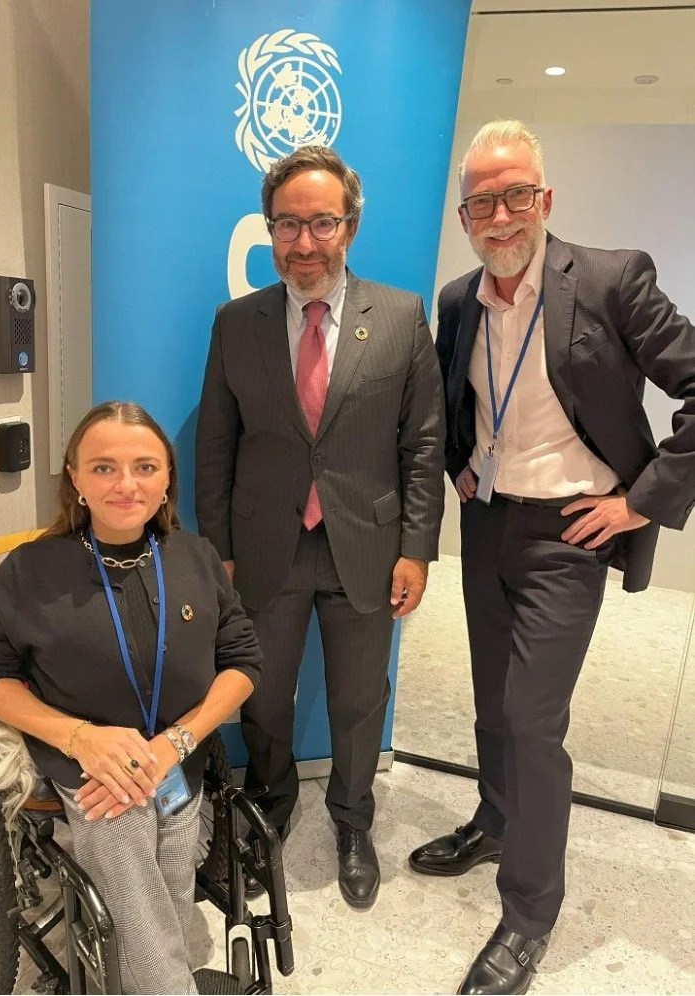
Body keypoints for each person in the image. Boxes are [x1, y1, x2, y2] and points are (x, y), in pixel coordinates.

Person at [408, 120, 695, 995]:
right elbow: (456, 396)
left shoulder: (612, 279)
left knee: (534, 719)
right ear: (465, 215)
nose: (501, 216)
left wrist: (636, 501)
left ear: (545, 198)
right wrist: (461, 462)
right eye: (483, 202)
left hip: (572, 533)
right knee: (494, 703)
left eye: (516, 195)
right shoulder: (460, 300)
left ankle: (528, 912)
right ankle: (496, 820)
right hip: (489, 521)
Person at [195, 145, 445, 910]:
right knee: (263, 696)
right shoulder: (236, 323)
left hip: (364, 548)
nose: (305, 243)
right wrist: (219, 551)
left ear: (351, 226)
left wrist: (415, 550)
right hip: (264, 546)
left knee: (359, 698)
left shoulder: (401, 316)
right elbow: (216, 443)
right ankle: (270, 802)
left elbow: (424, 443)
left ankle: (351, 819)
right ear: (269, 230)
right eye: (288, 225)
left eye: (322, 223)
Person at [0, 401, 263, 995]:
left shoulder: (196, 558)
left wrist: (174, 744)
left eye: (145, 467)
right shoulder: (30, 571)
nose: (126, 484)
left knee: (166, 873)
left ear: (168, 476)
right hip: (85, 768)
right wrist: (81, 738)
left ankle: (135, 974)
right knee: (124, 834)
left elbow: (245, 663)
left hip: (178, 759)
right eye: (104, 468)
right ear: (74, 477)